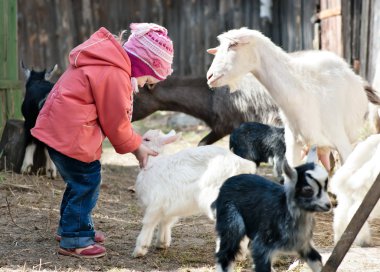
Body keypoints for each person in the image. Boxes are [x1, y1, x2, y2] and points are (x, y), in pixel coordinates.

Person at [31, 23, 174, 258]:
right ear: (142, 63)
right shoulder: (114, 74)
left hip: (59, 130)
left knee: (77, 182)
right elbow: (116, 124)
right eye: (148, 79)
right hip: (71, 135)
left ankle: (70, 228)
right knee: (86, 181)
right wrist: (137, 147)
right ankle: (75, 238)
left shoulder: (105, 62)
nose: (146, 85)